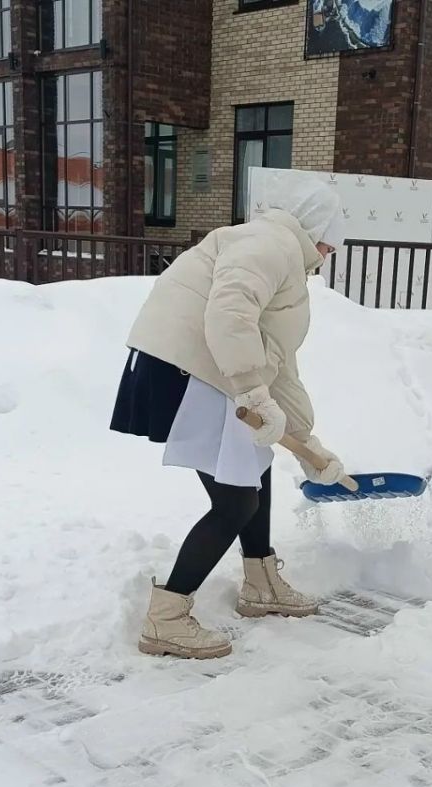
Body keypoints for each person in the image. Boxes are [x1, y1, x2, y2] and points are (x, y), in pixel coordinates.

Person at [111, 176, 348, 661]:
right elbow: (229, 314)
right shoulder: (270, 242)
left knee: (255, 468)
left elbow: (277, 360)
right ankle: (166, 618)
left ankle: (261, 584)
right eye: (329, 239)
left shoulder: (283, 256)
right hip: (188, 371)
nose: (329, 252)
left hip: (208, 370)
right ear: (313, 226)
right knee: (236, 501)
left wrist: (307, 442)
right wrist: (253, 392)